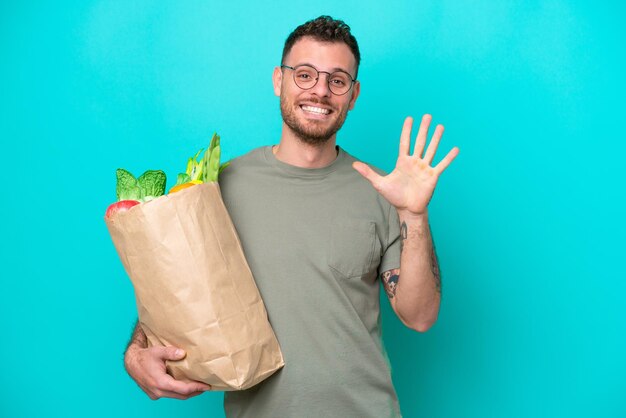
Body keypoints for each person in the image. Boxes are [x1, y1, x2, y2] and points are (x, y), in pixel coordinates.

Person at [123, 15, 459, 417]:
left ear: (352, 95)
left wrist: (414, 214)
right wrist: (136, 351)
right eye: (304, 75)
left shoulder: (384, 192)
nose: (320, 91)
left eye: (337, 80)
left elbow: (419, 316)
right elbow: (177, 291)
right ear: (278, 81)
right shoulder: (221, 187)